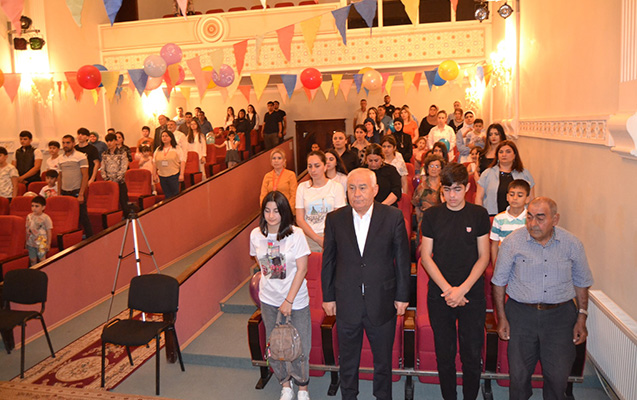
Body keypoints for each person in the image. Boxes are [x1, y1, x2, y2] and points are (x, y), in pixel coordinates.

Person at [491, 197, 594, 400]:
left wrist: (582, 317)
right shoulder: (512, 242)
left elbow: (582, 282)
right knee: (519, 375)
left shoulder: (572, 244)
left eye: (540, 218)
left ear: (555, 219)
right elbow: (498, 282)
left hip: (560, 317)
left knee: (557, 376)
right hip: (521, 315)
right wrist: (501, 318)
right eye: (529, 217)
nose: (533, 223)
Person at [321, 168, 410, 400]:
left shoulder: (392, 217)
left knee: (383, 360)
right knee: (348, 360)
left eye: (362, 188)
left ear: (375, 189)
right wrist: (328, 297)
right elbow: (328, 261)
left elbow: (402, 259)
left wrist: (402, 296)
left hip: (382, 300)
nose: (357, 193)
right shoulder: (335, 219)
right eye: (352, 188)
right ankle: (349, 395)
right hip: (346, 300)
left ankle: (383, 396)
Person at [420, 162, 491, 400]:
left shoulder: (478, 214)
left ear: (467, 188)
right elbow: (426, 257)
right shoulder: (432, 215)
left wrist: (462, 290)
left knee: (472, 353)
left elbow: (484, 257)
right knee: (445, 353)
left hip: (472, 294)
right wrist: (449, 290)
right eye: (447, 190)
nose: (452, 195)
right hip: (440, 294)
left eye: (457, 189)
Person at [250, 191, 312, 400]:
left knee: (300, 345)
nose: (271, 216)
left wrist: (288, 300)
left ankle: (302, 388)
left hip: (296, 300)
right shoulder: (256, 234)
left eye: (276, 211)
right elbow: (260, 265)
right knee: (275, 346)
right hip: (269, 300)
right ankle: (285, 385)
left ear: (284, 212)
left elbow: (302, 269)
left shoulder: (296, 234)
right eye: (267, 211)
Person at [295, 151, 346, 252]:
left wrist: (327, 238)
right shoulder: (302, 187)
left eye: (317, 166)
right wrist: (317, 238)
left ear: (325, 166)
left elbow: (340, 218)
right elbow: (300, 219)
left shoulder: (336, 187)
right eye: (310, 166)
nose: (313, 170)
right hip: (309, 236)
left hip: (330, 236)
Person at [476, 140, 535, 216]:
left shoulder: (524, 174)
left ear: (515, 155)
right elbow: (479, 198)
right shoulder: (487, 173)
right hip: (492, 216)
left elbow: (531, 199)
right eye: (501, 152)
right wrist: (480, 216)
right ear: (497, 155)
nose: (504, 154)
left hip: (519, 217)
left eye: (508, 152)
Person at [59, 135, 92, 237]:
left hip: (77, 191)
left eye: (68, 143)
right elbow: (60, 177)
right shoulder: (60, 158)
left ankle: (91, 238)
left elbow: (85, 176)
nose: (65, 145)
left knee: (83, 217)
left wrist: (81, 194)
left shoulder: (81, 156)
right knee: (69, 218)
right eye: (63, 143)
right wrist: (59, 193)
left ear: (73, 143)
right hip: (65, 192)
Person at [489, 179, 530, 263]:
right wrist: (495, 265)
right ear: (507, 197)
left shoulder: (530, 219)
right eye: (512, 195)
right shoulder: (499, 218)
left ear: (527, 199)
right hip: (504, 260)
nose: (515, 198)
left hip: (525, 261)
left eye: (520, 195)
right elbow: (494, 245)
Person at [412, 154, 445, 236]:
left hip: (443, 222)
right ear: (427, 168)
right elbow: (416, 207)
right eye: (431, 166)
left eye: (437, 166)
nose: (434, 169)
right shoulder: (421, 187)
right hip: (426, 222)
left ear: (441, 169)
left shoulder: (445, 187)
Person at [102, 133, 130, 214]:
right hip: (109, 182)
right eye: (107, 141)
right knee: (111, 204)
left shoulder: (122, 153)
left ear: (115, 141)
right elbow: (103, 168)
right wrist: (106, 179)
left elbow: (123, 168)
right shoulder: (105, 154)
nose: (109, 143)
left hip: (119, 182)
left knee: (123, 203)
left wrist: (115, 180)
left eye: (111, 141)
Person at [154, 131, 185, 199]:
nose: (164, 138)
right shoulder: (158, 149)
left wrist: (181, 174)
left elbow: (182, 161)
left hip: (174, 175)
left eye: (166, 136)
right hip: (162, 175)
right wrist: (154, 174)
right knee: (167, 195)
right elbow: (154, 162)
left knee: (175, 195)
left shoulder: (177, 148)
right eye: (163, 136)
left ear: (171, 138)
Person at [25, 195, 53, 265]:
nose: (34, 208)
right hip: (31, 242)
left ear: (43, 207)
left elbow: (49, 231)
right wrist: (26, 241)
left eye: (37, 206)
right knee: (32, 259)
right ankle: (34, 271)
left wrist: (48, 244)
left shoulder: (46, 218)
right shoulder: (29, 216)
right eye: (32, 206)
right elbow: (27, 229)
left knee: (42, 259)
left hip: (41, 242)